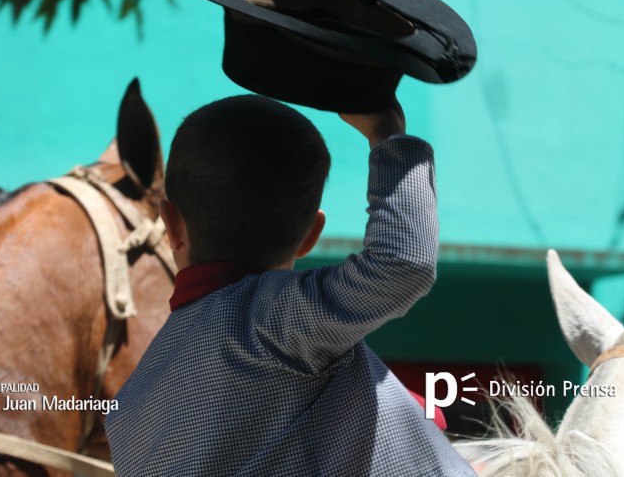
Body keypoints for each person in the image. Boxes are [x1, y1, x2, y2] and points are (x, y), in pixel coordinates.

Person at [105, 94, 475, 476]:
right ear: (310, 235)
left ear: (171, 224)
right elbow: (402, 262)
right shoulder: (276, 323)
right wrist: (386, 133)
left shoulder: (125, 414)